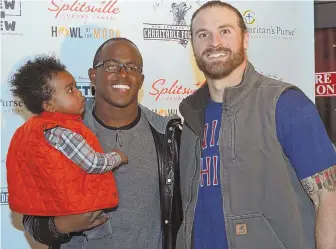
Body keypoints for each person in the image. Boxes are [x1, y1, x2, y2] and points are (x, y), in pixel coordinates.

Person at [176, 1, 336, 249]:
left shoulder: (286, 104)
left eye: (225, 31)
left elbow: (328, 197)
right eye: (203, 34)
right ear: (193, 45)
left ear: (245, 39)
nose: (214, 42)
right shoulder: (191, 116)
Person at [22, 38, 183, 249]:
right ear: (92, 75)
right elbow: (32, 220)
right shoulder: (57, 135)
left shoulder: (167, 135)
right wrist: (62, 225)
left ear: (141, 80)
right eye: (112, 66)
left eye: (132, 68)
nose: (123, 74)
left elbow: (183, 216)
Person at [6, 56, 128, 218]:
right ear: (49, 105)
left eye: (77, 88)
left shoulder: (31, 129)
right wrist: (117, 157)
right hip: (78, 210)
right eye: (71, 90)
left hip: (54, 209)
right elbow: (93, 163)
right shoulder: (60, 131)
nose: (80, 94)